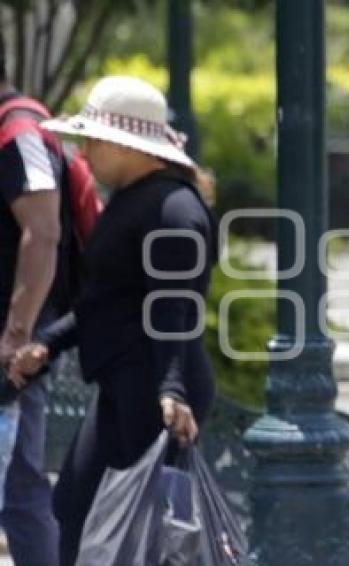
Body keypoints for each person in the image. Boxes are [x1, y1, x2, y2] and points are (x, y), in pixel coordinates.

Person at [8, 75, 218, 565]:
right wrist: (51, 345)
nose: (83, 154)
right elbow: (109, 299)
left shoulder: (174, 210)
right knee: (76, 509)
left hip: (157, 388)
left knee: (147, 534)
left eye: (93, 141)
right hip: (126, 382)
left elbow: (174, 309)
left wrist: (172, 389)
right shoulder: (135, 200)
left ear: (129, 146)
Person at [0, 30, 67, 566]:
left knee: (19, 487)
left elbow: (42, 231)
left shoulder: (18, 131)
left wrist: (15, 335)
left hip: (11, 348)